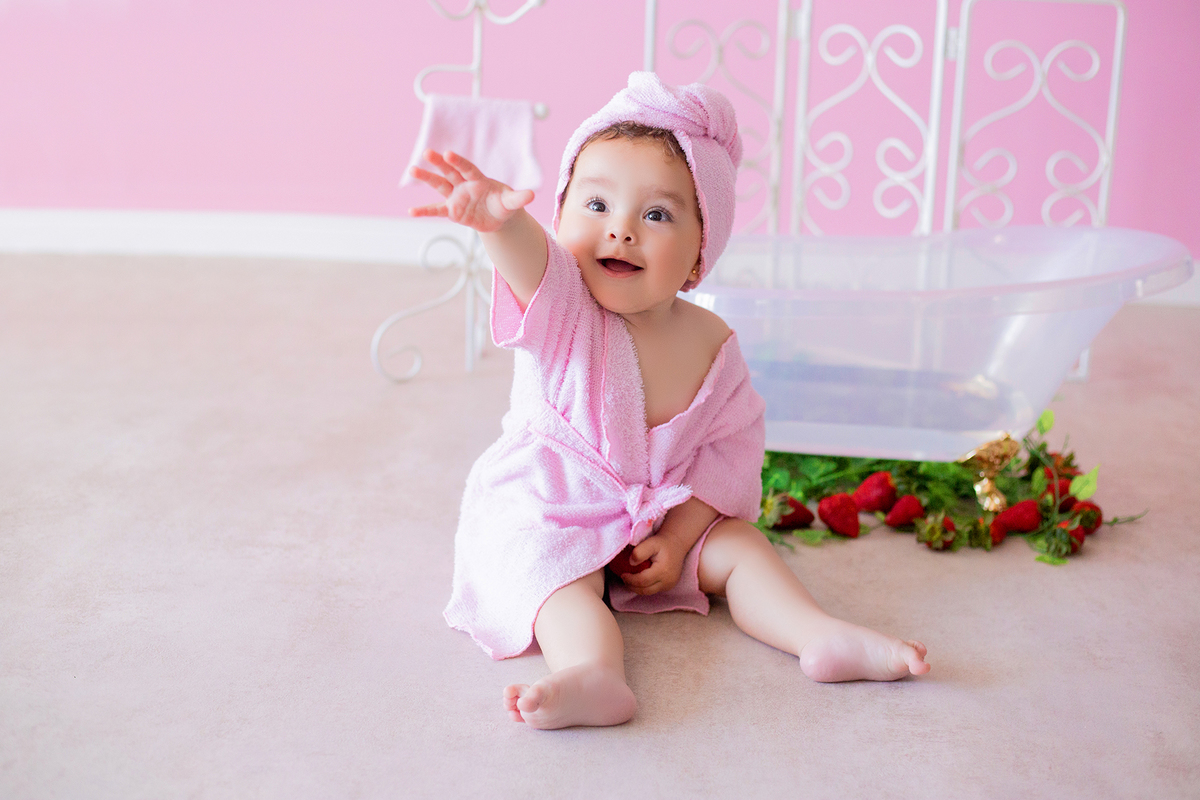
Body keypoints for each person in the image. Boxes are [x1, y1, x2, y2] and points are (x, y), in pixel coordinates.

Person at [409, 73, 929, 730]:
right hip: (555, 504)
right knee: (556, 580)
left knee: (740, 544)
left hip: (658, 518)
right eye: (595, 206)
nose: (620, 231)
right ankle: (592, 673)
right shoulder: (568, 306)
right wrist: (498, 224)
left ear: (697, 258)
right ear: (562, 217)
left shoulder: (713, 343)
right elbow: (532, 264)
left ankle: (817, 634)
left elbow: (730, 449)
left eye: (656, 215)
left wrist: (682, 539)